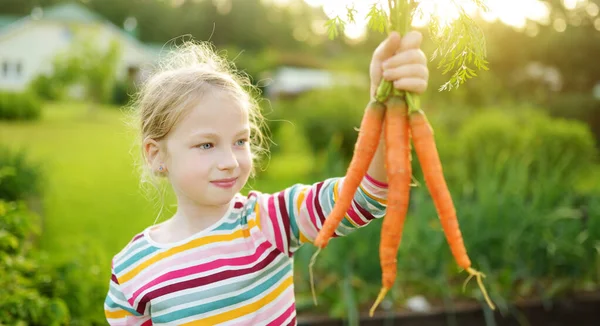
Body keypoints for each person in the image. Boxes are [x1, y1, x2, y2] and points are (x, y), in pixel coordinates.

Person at [104, 30, 429, 325]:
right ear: (156, 154)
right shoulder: (132, 270)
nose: (230, 161)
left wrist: (383, 102)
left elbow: (364, 196)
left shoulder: (268, 222)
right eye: (207, 144)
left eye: (240, 141)